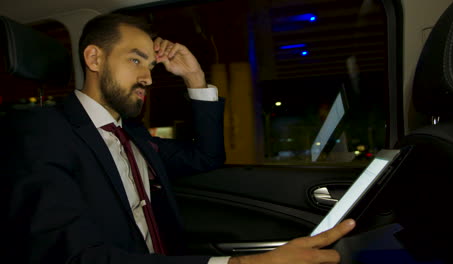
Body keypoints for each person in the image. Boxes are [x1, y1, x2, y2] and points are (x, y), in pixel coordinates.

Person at [2, 13, 355, 264]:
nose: (148, 78)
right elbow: (78, 256)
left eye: (151, 67)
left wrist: (195, 78)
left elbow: (206, 157)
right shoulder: (41, 133)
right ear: (95, 58)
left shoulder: (131, 134)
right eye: (135, 61)